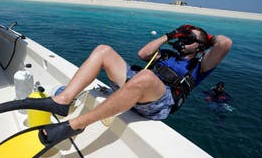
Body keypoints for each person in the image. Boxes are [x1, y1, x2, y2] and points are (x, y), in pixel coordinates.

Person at [37, 25, 233, 143]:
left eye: (189, 39)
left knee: (146, 76)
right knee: (104, 50)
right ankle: (63, 100)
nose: (183, 40)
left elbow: (225, 44)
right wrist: (170, 35)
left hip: (159, 101)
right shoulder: (167, 54)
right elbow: (142, 54)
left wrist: (205, 37)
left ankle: (76, 125)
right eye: (183, 37)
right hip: (137, 84)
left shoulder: (200, 65)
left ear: (200, 47)